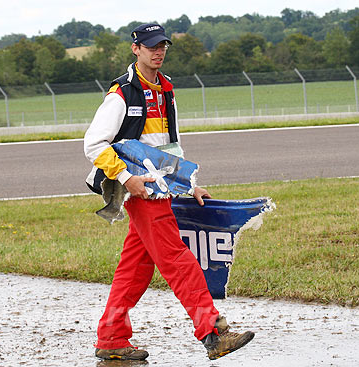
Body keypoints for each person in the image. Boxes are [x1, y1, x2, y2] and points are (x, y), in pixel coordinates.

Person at [83, 23, 254, 361]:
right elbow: (93, 144)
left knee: (135, 269)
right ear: (136, 49)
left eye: (162, 45)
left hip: (161, 188)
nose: (158, 51)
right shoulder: (122, 93)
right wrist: (126, 178)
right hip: (140, 190)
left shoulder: (165, 89)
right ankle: (212, 331)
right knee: (177, 258)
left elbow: (169, 145)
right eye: (150, 46)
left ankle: (112, 337)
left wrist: (187, 185)